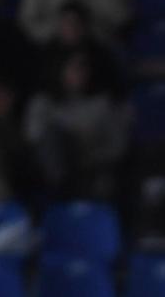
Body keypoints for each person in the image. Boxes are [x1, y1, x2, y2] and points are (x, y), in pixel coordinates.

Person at [24, 51, 130, 199]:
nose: (79, 75)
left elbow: (118, 144)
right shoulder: (43, 101)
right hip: (53, 172)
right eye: (73, 69)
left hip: (92, 165)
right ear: (61, 70)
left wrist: (92, 154)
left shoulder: (101, 103)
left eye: (83, 69)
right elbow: (34, 135)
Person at [18, 0, 130, 44]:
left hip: (99, 48)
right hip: (54, 50)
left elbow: (122, 17)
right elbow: (26, 25)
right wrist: (60, 29)